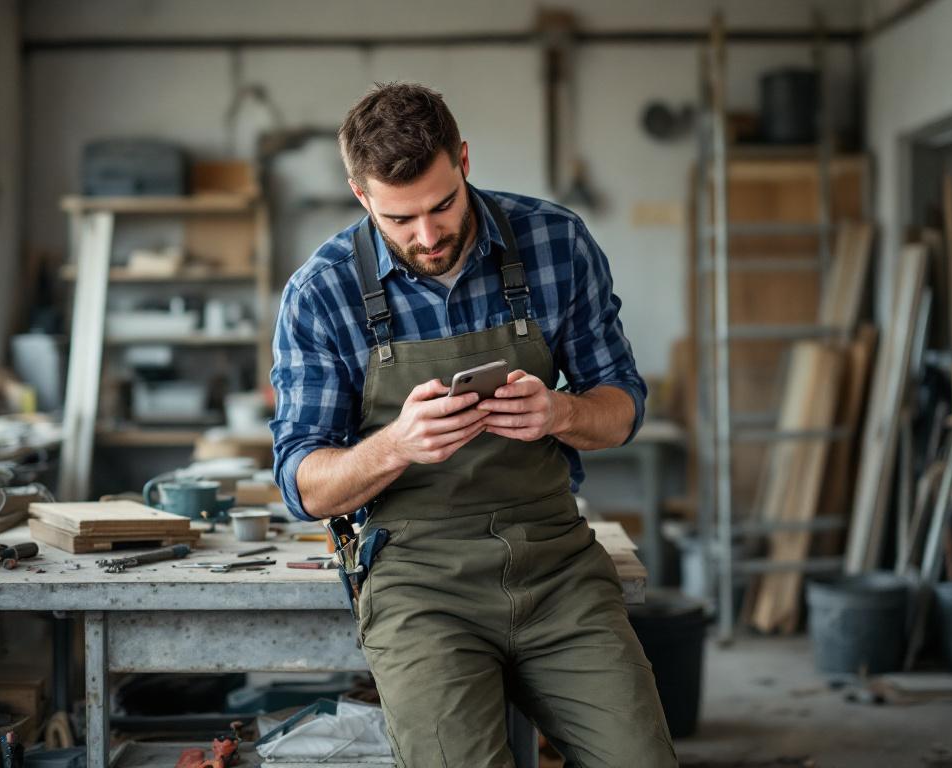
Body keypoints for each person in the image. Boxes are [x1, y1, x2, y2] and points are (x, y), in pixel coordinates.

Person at [270, 82, 677, 768]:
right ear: (360, 194)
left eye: (443, 204)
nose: (428, 237)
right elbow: (303, 485)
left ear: (463, 159)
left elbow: (624, 406)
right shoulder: (322, 292)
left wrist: (563, 411)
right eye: (400, 219)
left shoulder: (555, 241)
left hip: (556, 567)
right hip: (421, 585)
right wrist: (397, 444)